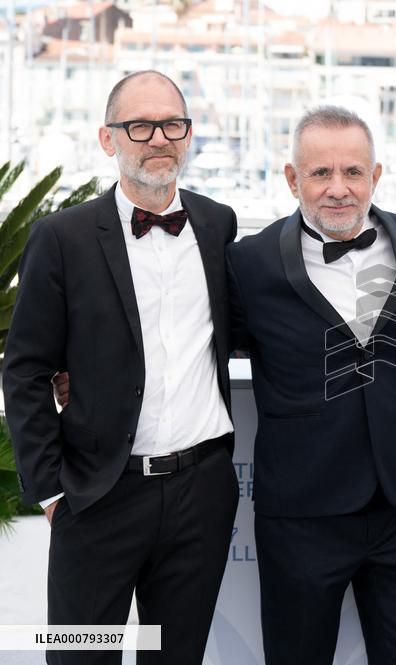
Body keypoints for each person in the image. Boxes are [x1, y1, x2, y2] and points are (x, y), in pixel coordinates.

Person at [3, 71, 238, 665]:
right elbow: (26, 370)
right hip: (98, 494)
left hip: (200, 492)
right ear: (109, 139)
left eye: (172, 124)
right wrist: (51, 490)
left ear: (188, 135)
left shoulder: (217, 225)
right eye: (139, 125)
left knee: (175, 655)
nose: (158, 138)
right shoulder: (61, 238)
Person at [225, 106, 396, 665]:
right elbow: (197, 343)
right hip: (301, 515)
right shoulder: (247, 264)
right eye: (321, 173)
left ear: (376, 176)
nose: (338, 189)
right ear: (293, 179)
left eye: (353, 172)